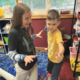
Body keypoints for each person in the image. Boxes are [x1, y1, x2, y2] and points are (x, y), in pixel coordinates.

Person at [0, 3, 43, 80]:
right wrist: (24, 57)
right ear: (18, 18)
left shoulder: (24, 27)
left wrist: (35, 36)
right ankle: (1, 72)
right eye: (26, 18)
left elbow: (26, 40)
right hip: (24, 67)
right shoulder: (13, 33)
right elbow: (11, 53)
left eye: (30, 17)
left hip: (33, 63)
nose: (29, 21)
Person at [46, 9, 65, 80]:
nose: (51, 27)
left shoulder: (58, 34)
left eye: (54, 24)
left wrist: (60, 54)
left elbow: (61, 45)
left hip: (57, 60)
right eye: (49, 24)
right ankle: (50, 73)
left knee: (54, 77)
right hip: (50, 57)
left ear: (58, 23)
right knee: (49, 69)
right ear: (46, 22)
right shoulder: (48, 31)